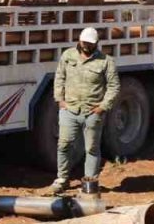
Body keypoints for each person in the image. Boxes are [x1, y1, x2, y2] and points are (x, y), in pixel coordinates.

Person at [46, 27, 120, 195]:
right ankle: (61, 180)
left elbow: (114, 87)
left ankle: (90, 183)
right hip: (69, 110)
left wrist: (102, 107)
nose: (87, 46)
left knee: (91, 149)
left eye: (90, 44)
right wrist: (60, 100)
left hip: (92, 112)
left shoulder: (106, 61)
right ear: (79, 40)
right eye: (85, 43)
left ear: (97, 44)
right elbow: (59, 77)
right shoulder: (68, 56)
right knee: (64, 145)